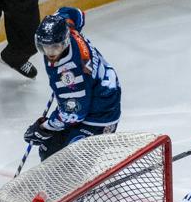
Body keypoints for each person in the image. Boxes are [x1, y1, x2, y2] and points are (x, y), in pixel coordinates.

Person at [23, 8, 120, 162]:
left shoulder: (70, 74)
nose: (50, 52)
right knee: (50, 148)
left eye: (55, 47)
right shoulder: (64, 23)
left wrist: (44, 127)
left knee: (58, 158)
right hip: (97, 92)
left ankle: (82, 183)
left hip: (100, 116)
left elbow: (74, 113)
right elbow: (77, 13)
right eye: (45, 47)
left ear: (65, 40)